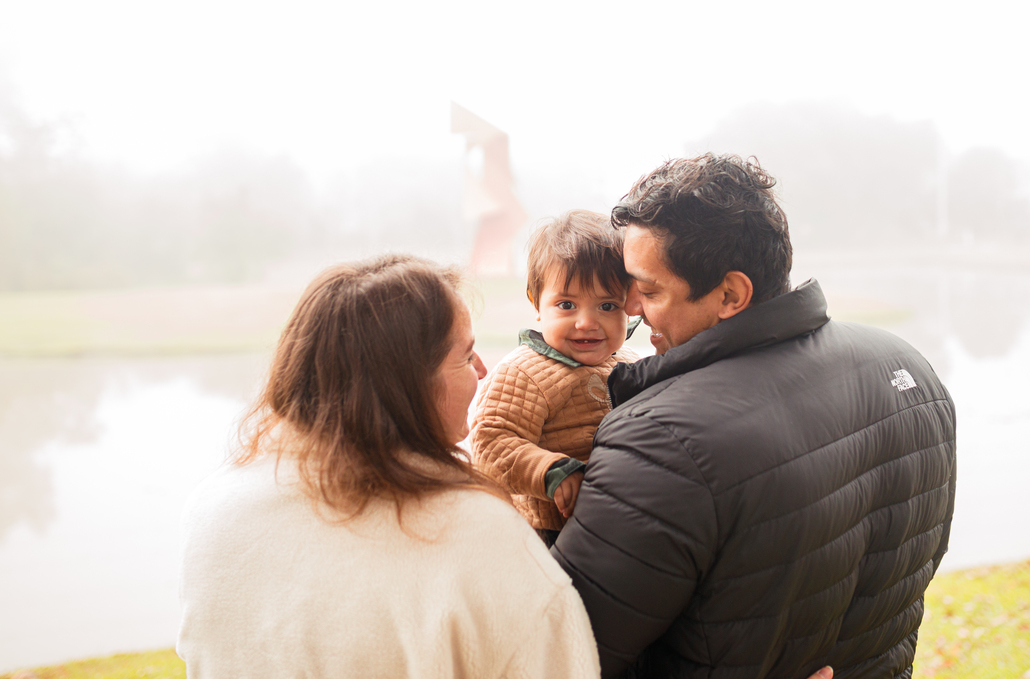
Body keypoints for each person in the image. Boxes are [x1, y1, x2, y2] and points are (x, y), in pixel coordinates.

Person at [550, 154, 957, 678]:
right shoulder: (907, 367)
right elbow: (913, 570)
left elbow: (557, 656)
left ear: (730, 294)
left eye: (649, 290)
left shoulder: (661, 441)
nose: (629, 307)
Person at [176, 255, 600, 678]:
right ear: (409, 382)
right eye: (465, 356)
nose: (482, 370)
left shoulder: (213, 506)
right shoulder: (475, 529)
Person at [471, 210, 640, 547]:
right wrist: (552, 471)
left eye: (607, 306)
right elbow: (489, 441)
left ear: (630, 306)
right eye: (566, 304)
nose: (586, 323)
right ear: (536, 303)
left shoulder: (631, 363)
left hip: (620, 516)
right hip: (550, 532)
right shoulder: (525, 371)